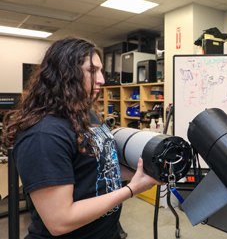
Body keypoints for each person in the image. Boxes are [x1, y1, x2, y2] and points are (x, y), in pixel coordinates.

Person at [2, 37, 161, 239]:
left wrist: (145, 172)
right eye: (92, 71)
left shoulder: (86, 115)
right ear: (65, 73)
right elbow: (60, 221)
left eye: (101, 70)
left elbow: (97, 170)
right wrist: (132, 189)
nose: (102, 79)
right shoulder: (44, 135)